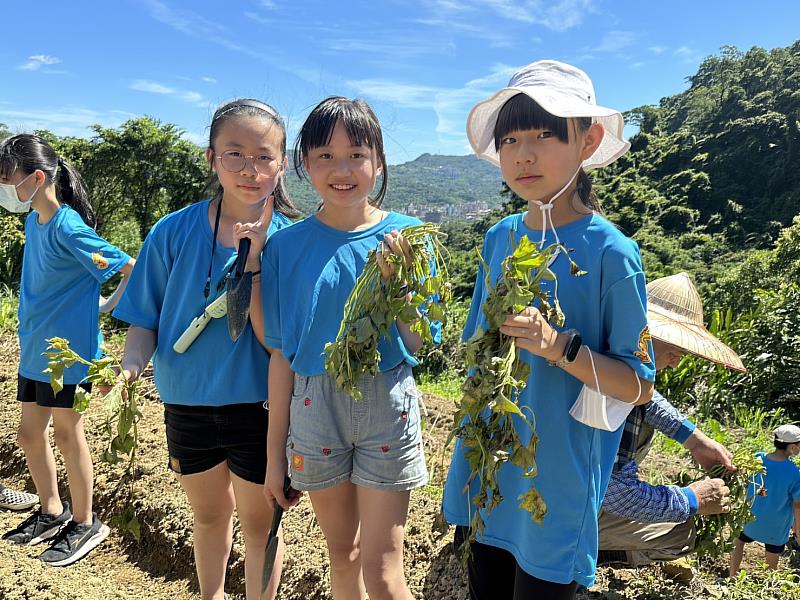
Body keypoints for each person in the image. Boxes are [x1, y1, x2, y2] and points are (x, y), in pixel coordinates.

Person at [442, 60, 656, 599]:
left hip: (556, 482)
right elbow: (476, 350)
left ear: (589, 140)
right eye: (510, 138)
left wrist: (558, 346)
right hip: (489, 469)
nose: (523, 154)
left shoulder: (612, 254)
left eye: (543, 134)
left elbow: (638, 385)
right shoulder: (500, 238)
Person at [111, 99, 299, 600]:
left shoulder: (291, 242)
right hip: (186, 402)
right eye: (234, 154)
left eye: (264, 156)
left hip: (261, 408)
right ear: (212, 157)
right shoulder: (172, 231)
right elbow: (143, 318)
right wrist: (131, 367)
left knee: (261, 526)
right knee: (210, 516)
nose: (249, 169)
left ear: (283, 163)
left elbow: (288, 339)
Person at [262, 96, 435, 600]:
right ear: (304, 165)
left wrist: (398, 287)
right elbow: (282, 356)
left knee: (383, 570)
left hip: (387, 402)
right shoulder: (286, 247)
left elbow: (419, 340)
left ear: (378, 161)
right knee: (344, 557)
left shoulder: (408, 238)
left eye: (356, 154)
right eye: (325, 156)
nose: (343, 169)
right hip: (315, 407)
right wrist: (276, 460)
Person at [0, 134, 134, 565]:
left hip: (66, 357)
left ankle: (85, 521)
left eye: (8, 180)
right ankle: (51, 511)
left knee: (65, 432)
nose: (5, 190)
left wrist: (105, 308)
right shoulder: (33, 223)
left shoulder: (69, 226)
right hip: (36, 349)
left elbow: (127, 265)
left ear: (37, 178)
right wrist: (96, 301)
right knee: (28, 434)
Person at [599, 272, 744, 568]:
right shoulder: (614, 391)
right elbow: (612, 492)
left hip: (561, 495)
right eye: (675, 349)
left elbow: (648, 399)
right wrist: (692, 499)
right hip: (563, 508)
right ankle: (588, 551)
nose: (677, 360)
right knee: (680, 533)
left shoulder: (611, 363)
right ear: (648, 335)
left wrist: (694, 439)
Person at [729, 424, 800, 576]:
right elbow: (797, 506)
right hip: (775, 527)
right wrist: (798, 531)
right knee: (772, 557)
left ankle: (732, 575)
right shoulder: (794, 473)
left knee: (739, 542)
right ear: (792, 448)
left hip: (749, 519)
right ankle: (768, 585)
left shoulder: (757, 459)